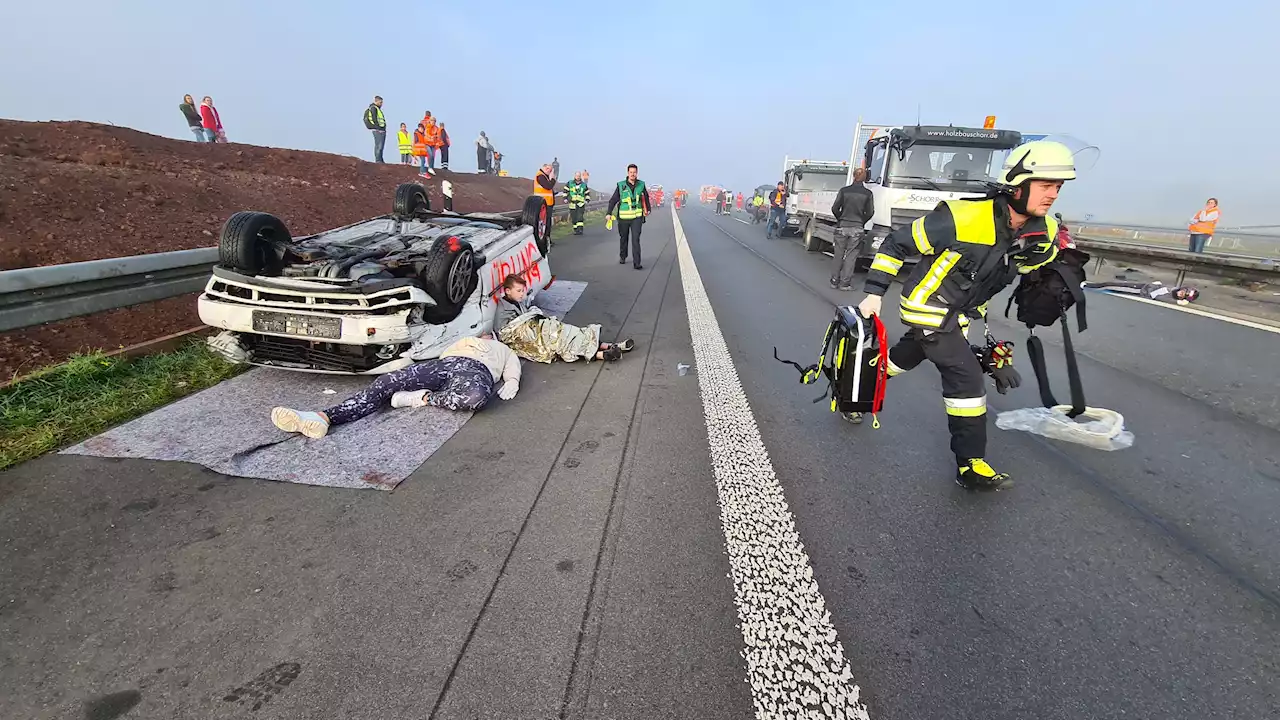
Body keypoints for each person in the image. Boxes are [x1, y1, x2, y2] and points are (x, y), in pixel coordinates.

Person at [853, 140, 1078, 490]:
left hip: (961, 312)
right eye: (1046, 185)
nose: (1053, 195)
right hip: (927, 306)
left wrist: (1059, 275)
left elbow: (1032, 270)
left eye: (1058, 188)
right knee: (965, 377)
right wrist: (873, 295)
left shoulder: (1044, 231)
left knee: (905, 357)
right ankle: (970, 464)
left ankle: (858, 389)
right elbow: (897, 243)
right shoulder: (961, 217)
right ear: (1016, 184)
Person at [269, 335, 522, 439]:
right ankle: (322, 416)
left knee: (475, 398)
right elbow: (430, 351)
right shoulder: (463, 339)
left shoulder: (502, 349)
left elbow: (513, 366)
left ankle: (420, 399)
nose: (487, 334)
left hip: (476, 371)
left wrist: (512, 380)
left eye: (491, 334)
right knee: (387, 381)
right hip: (442, 364)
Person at [495, 274, 636, 363]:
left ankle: (608, 347)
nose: (522, 294)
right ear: (508, 291)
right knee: (562, 341)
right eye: (519, 291)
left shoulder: (515, 303)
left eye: (523, 290)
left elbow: (525, 320)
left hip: (537, 331)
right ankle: (602, 353)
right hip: (532, 338)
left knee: (568, 332)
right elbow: (508, 333)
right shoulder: (503, 310)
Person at [829, 168, 875, 290]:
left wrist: (841, 219)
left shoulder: (844, 191)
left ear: (854, 176)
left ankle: (834, 281)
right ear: (865, 178)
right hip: (857, 227)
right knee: (851, 256)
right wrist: (861, 221)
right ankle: (845, 283)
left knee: (838, 254)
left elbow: (835, 208)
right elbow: (870, 212)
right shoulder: (867, 194)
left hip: (842, 226)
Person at [607, 164, 651, 269]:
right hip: (623, 218)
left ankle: (637, 263)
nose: (633, 174)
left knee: (636, 239)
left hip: (637, 218)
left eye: (634, 172)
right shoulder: (621, 185)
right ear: (628, 173)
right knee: (624, 238)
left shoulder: (641, 184)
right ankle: (623, 256)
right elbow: (613, 200)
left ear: (637, 173)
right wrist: (608, 213)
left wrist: (648, 209)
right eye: (631, 172)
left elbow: (646, 197)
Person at [1085, 279, 1200, 305]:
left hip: (1139, 291)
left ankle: (1088, 286)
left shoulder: (1170, 297)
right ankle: (1089, 285)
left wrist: (1159, 287)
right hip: (1142, 285)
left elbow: (1155, 296)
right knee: (1113, 283)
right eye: (1183, 291)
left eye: (1183, 295)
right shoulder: (1173, 289)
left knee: (1112, 286)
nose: (1181, 293)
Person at [363, 95, 387, 163]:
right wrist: (378, 128)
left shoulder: (377, 109)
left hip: (381, 129)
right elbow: (374, 119)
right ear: (376, 101)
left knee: (380, 146)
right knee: (379, 145)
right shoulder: (374, 108)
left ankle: (380, 159)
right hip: (378, 130)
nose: (381, 104)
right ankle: (378, 160)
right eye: (380, 102)